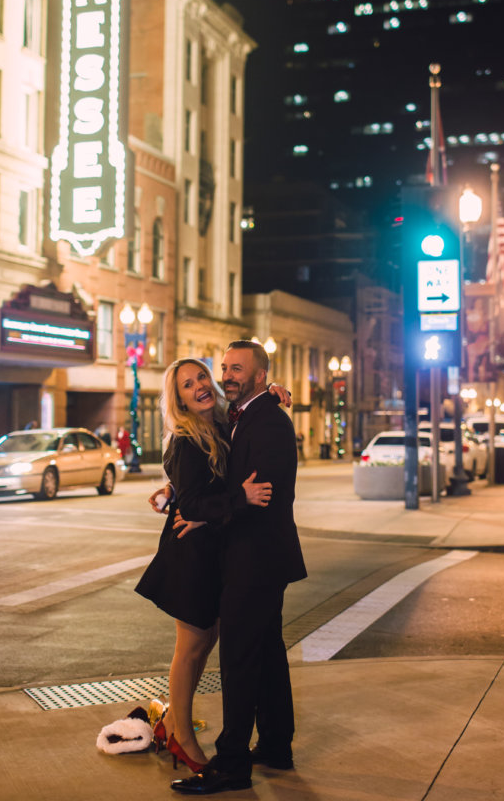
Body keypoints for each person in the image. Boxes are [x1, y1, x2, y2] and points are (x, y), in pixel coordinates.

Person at [171, 340, 307, 796]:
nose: (227, 376)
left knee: (240, 661)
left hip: (256, 557)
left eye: (236, 369)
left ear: (260, 375)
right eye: (224, 367)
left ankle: (230, 764)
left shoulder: (266, 421)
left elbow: (260, 494)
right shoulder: (245, 415)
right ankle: (273, 744)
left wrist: (209, 510)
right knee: (266, 653)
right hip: (257, 557)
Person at [135, 358, 275, 774]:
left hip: (211, 550)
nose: (198, 386)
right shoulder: (184, 438)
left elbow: (191, 492)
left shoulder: (216, 424)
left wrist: (274, 392)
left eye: (201, 378)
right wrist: (239, 500)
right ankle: (182, 738)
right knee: (191, 646)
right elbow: (194, 502)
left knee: (204, 641)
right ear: (176, 398)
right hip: (190, 553)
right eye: (186, 384)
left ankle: (173, 723)